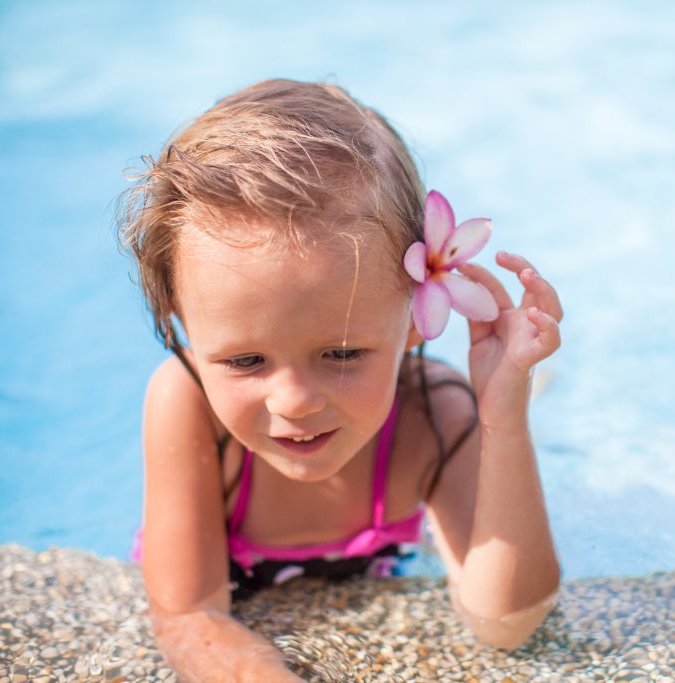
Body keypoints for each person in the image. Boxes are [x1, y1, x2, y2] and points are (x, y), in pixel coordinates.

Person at [117, 79, 562, 681]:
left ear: (413, 318)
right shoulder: (186, 403)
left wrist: (502, 419)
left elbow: (506, 622)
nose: (295, 401)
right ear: (180, 317)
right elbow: (190, 615)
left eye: (344, 353)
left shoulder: (434, 416)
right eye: (246, 361)